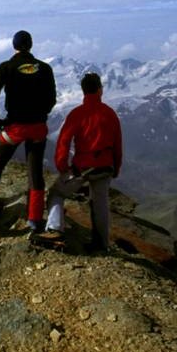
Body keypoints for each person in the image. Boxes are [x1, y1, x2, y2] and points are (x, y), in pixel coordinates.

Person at [0, 30, 56, 230]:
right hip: (38, 128)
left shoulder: (6, 67)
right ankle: (34, 219)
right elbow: (51, 99)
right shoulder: (45, 68)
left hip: (15, 128)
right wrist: (42, 114)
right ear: (31, 45)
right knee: (36, 172)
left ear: (14, 46)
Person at [38, 72, 123, 252]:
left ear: (83, 91)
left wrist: (62, 166)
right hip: (106, 166)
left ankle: (54, 229)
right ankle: (101, 245)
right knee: (100, 205)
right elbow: (117, 144)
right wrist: (116, 168)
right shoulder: (110, 113)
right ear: (100, 90)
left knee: (56, 193)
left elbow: (64, 142)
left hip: (82, 167)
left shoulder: (77, 114)